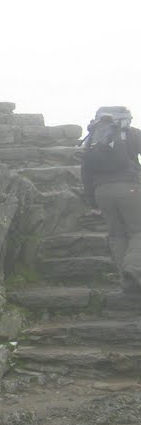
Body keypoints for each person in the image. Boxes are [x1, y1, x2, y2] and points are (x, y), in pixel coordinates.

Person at [81, 107, 141, 294]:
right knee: (138, 231)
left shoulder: (93, 138)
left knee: (117, 235)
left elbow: (86, 170)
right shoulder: (130, 134)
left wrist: (91, 199)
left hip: (101, 192)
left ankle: (127, 280)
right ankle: (132, 269)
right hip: (128, 188)